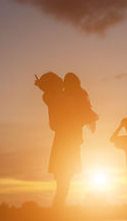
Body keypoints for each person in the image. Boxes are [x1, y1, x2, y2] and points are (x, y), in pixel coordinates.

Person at [34, 72, 83, 208]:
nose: (62, 80)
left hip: (67, 140)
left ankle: (58, 211)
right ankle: (58, 212)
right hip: (65, 141)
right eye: (59, 79)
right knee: (63, 182)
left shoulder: (56, 96)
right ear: (54, 84)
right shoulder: (57, 97)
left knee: (64, 182)